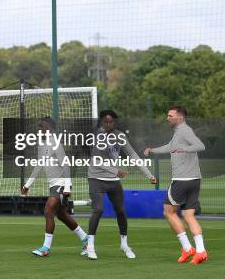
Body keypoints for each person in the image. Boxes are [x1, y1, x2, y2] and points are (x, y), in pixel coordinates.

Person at [86, 110, 157, 260]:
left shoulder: (119, 136)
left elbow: (132, 155)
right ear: (101, 122)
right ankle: (90, 245)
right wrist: (116, 170)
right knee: (98, 210)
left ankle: (124, 245)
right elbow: (96, 161)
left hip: (113, 180)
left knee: (121, 211)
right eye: (106, 121)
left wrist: (149, 175)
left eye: (111, 121)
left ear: (115, 122)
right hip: (96, 178)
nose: (108, 123)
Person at [144, 106, 207, 265]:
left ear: (180, 117)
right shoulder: (179, 132)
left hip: (182, 181)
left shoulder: (184, 131)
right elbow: (169, 147)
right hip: (194, 180)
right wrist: (152, 150)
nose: (167, 118)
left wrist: (184, 149)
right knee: (188, 216)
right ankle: (200, 251)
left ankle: (187, 248)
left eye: (170, 115)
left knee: (168, 212)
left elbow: (200, 146)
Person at [22, 117, 89, 257]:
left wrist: (67, 186)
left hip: (60, 185)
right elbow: (39, 165)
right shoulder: (42, 145)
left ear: (50, 129)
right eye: (40, 128)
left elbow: (65, 165)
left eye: (44, 128)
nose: (41, 130)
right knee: (62, 215)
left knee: (48, 210)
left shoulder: (55, 144)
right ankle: (86, 239)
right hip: (54, 185)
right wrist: (27, 185)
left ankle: (45, 248)